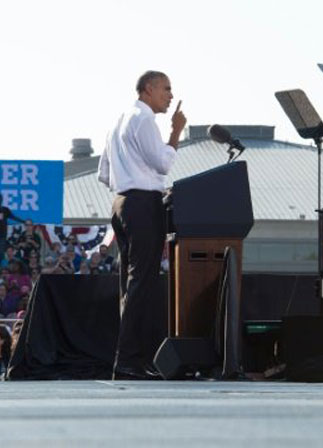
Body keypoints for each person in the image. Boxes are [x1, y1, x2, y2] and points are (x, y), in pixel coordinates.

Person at [97, 70, 186, 380]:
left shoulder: (118, 121)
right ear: (148, 88)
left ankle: (130, 358)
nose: (171, 95)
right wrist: (176, 131)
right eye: (166, 88)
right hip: (143, 204)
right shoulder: (145, 119)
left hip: (121, 203)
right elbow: (163, 163)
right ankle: (129, 360)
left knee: (130, 284)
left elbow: (104, 174)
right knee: (141, 284)